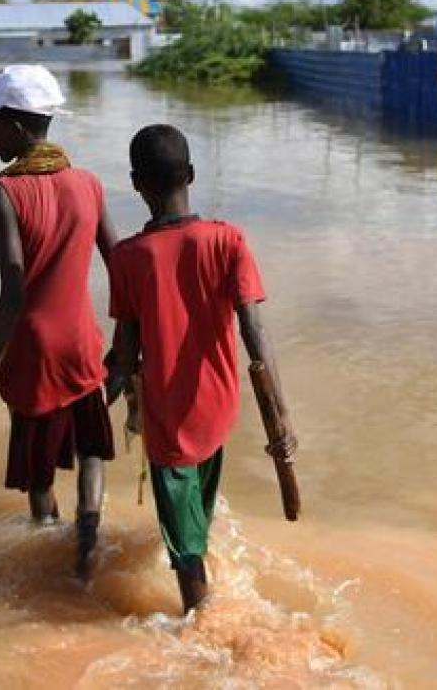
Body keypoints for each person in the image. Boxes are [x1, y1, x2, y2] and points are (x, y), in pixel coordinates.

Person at [104, 124, 297, 614]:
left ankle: (201, 625)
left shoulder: (128, 257)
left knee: (186, 551)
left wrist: (103, 395)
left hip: (170, 421)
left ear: (136, 183)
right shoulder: (228, 240)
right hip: (218, 409)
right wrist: (281, 418)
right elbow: (256, 333)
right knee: (197, 518)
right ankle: (209, 602)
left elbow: (125, 352)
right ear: (190, 174)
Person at [0, 64, 117, 578]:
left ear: (16, 125)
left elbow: (13, 291)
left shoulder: (4, 192)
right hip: (82, 343)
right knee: (91, 449)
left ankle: (49, 549)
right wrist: (132, 344)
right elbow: (121, 264)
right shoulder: (89, 184)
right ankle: (88, 534)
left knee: (38, 473)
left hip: (33, 353)